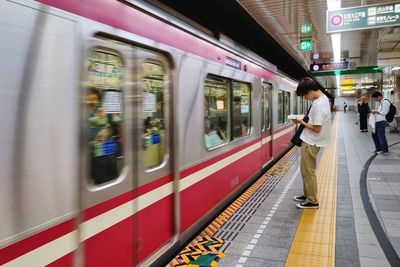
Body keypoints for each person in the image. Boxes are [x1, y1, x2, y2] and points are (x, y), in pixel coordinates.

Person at [291, 78, 331, 209]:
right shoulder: (323, 99)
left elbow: (316, 128)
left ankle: (312, 201)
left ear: (309, 91)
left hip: (311, 142)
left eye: (305, 95)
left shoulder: (318, 104)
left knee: (308, 171)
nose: (306, 98)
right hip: (313, 141)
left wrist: (300, 122)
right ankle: (307, 194)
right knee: (306, 170)